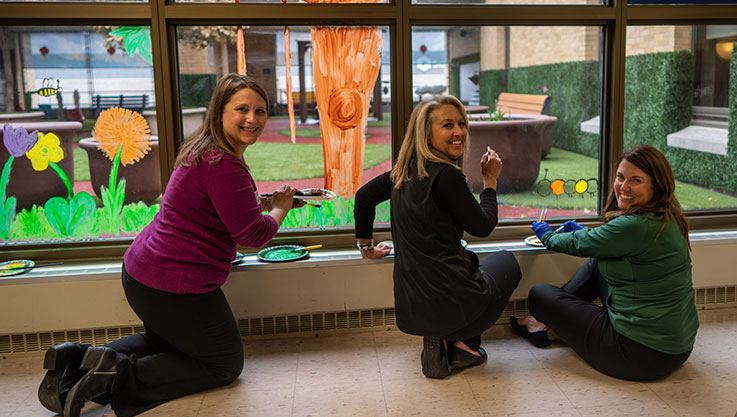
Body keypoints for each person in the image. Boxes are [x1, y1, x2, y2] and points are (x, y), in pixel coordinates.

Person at [37, 74, 303, 417]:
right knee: (223, 364)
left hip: (144, 273)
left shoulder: (202, 149)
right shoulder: (225, 165)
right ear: (219, 111)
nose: (252, 119)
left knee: (168, 343)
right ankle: (115, 376)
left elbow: (213, 206)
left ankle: (72, 364)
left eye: (260, 111)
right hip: (175, 284)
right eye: (242, 109)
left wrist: (259, 203)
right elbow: (251, 237)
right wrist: (280, 207)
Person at [354, 95, 522, 379]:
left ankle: (440, 335)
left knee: (472, 264)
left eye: (462, 123)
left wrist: (366, 247)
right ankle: (462, 343)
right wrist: (490, 182)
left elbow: (363, 197)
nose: (459, 132)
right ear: (426, 133)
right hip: (451, 297)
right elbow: (483, 227)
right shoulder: (447, 176)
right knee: (508, 263)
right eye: (447, 125)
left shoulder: (402, 171)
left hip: (412, 305)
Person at [511, 144, 698, 381]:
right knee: (597, 261)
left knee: (539, 295)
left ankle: (541, 321)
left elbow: (585, 243)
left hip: (636, 353)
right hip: (679, 348)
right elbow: (606, 242)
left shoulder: (634, 225)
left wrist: (547, 236)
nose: (624, 186)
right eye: (620, 177)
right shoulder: (669, 215)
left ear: (656, 186)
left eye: (636, 180)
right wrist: (587, 235)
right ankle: (541, 324)